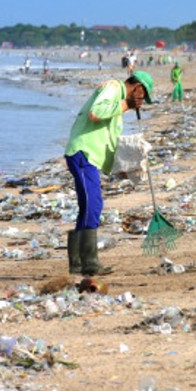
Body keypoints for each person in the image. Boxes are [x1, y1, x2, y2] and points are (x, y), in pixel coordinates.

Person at [63, 71, 154, 276]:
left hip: (90, 157)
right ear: (137, 86)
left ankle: (78, 264)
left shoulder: (116, 97)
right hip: (83, 153)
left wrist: (124, 164)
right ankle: (90, 263)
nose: (141, 99)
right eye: (142, 94)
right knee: (93, 205)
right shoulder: (113, 88)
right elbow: (95, 113)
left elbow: (108, 134)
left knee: (88, 206)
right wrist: (126, 105)